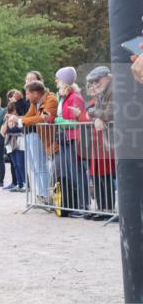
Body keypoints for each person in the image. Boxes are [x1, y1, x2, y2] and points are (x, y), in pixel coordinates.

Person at [53, 67, 90, 216]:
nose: (56, 81)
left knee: (77, 172)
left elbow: (78, 121)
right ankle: (76, 203)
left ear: (64, 81)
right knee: (70, 172)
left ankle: (83, 205)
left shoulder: (75, 97)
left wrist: (59, 121)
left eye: (58, 78)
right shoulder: (64, 97)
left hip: (75, 138)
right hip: (67, 139)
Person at [19, 80, 59, 205]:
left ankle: (48, 196)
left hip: (50, 139)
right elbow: (28, 116)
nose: (26, 97)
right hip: (41, 137)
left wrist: (21, 121)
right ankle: (43, 195)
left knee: (42, 168)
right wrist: (15, 119)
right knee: (36, 168)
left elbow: (41, 118)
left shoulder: (51, 100)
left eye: (27, 94)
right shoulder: (35, 102)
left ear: (35, 93)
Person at [86, 66, 116, 218]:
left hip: (113, 139)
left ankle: (109, 209)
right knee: (97, 174)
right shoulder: (102, 93)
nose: (94, 84)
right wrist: (96, 116)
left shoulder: (114, 90)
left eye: (97, 80)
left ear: (107, 77)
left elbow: (110, 113)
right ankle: (101, 208)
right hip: (101, 139)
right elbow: (93, 112)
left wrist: (95, 115)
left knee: (107, 174)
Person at [2, 100, 25, 192]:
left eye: (14, 110)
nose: (12, 113)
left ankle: (25, 183)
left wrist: (11, 129)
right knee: (15, 164)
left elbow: (19, 129)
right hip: (10, 142)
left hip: (20, 142)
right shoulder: (7, 118)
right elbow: (4, 131)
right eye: (10, 111)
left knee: (20, 164)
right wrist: (7, 120)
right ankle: (19, 184)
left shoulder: (21, 117)